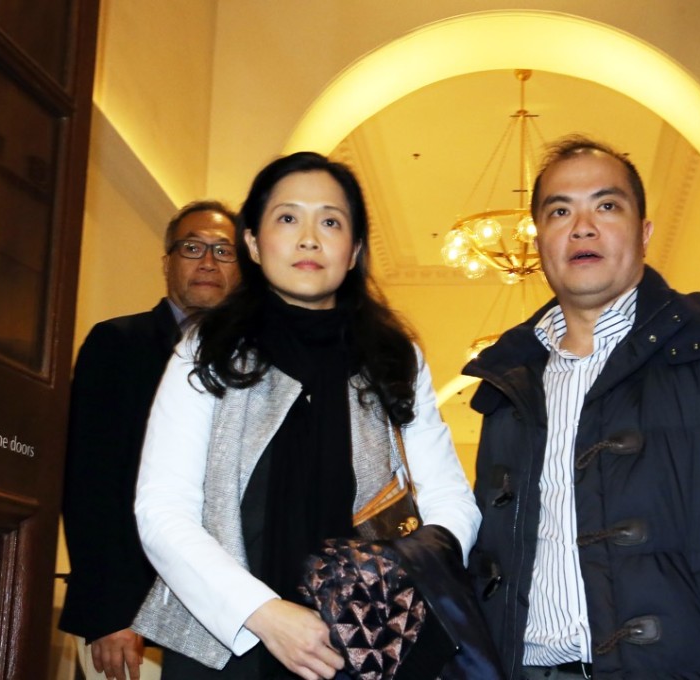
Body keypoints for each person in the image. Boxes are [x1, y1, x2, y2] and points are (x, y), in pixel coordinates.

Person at [464, 135, 700, 679]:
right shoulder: (506, 384)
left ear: (644, 234)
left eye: (607, 205)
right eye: (559, 211)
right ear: (542, 239)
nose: (583, 226)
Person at [131, 152, 484, 679]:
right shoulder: (207, 350)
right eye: (288, 218)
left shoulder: (393, 356)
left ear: (355, 249)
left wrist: (410, 568)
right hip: (230, 639)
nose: (309, 238)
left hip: (371, 642)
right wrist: (266, 615)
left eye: (331, 221)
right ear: (252, 242)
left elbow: (452, 499)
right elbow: (163, 509)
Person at [60, 200, 243, 680]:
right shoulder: (117, 345)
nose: (207, 261)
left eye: (223, 251)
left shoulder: (258, 363)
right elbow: (89, 483)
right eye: (192, 247)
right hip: (137, 617)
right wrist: (111, 612)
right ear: (168, 262)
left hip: (237, 616)